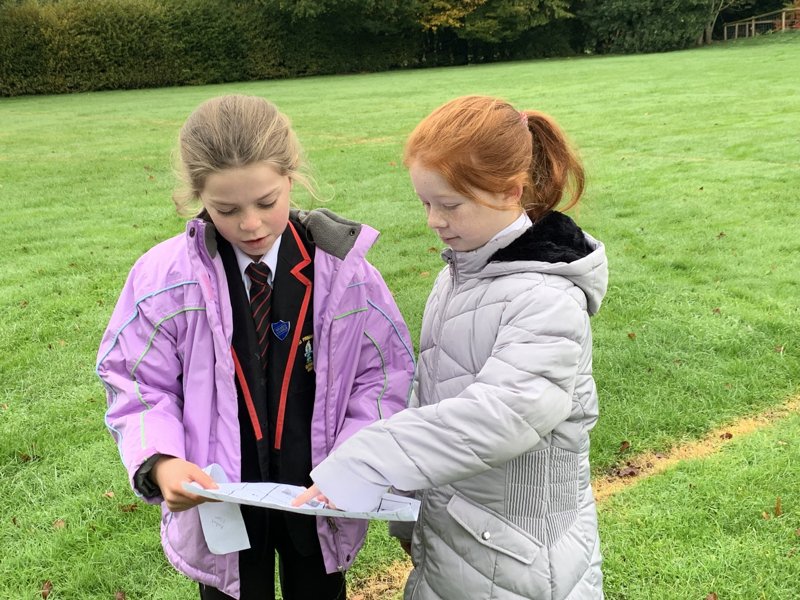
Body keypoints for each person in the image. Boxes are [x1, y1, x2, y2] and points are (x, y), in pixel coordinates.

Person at [96, 94, 415, 600]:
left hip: (320, 498)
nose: (251, 224)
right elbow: (136, 381)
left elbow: (384, 376)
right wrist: (159, 459)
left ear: (292, 177)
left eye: (267, 202)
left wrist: (355, 462)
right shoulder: (164, 279)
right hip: (219, 502)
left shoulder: (348, 275)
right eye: (226, 209)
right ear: (196, 197)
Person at [294, 95, 608, 599]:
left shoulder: (547, 298)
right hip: (453, 547)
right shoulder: (459, 275)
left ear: (508, 191)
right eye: (426, 203)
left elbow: (505, 414)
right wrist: (409, 515)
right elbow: (433, 393)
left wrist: (370, 458)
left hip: (520, 566)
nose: (433, 220)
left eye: (450, 205)